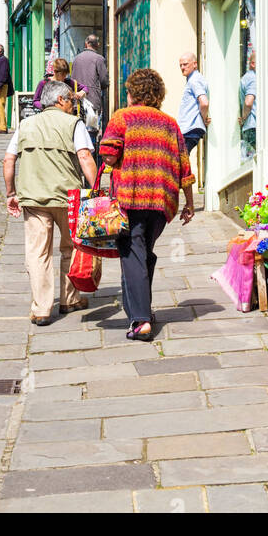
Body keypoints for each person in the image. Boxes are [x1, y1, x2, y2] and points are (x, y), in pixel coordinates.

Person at [100, 67, 195, 342]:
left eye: (128, 90)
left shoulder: (123, 117)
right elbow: (184, 166)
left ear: (133, 92)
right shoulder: (170, 123)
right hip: (162, 202)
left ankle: (141, 320)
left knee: (132, 253)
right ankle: (140, 311)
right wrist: (189, 204)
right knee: (143, 253)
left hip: (130, 198)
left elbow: (107, 154)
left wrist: (117, 158)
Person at [2, 80, 97, 325]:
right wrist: (96, 190)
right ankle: (69, 298)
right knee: (71, 248)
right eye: (70, 101)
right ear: (60, 101)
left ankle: (42, 308)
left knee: (37, 253)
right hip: (68, 198)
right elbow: (85, 157)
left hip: (34, 198)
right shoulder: (74, 124)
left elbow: (8, 160)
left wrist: (10, 193)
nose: (72, 107)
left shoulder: (25, 124)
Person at [70, 34, 109, 137]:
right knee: (91, 132)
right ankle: (91, 152)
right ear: (98, 45)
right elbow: (104, 81)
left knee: (77, 131)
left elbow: (72, 80)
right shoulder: (99, 59)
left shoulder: (76, 59)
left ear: (86, 43)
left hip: (77, 101)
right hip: (92, 101)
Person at [177, 52, 210, 156]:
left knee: (180, 162)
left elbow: (204, 103)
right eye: (180, 65)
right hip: (188, 129)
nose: (182, 67)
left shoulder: (194, 80)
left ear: (195, 64)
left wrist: (204, 119)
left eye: (185, 64)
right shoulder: (193, 79)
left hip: (189, 129)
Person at [239, 48, 257, 162]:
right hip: (253, 125)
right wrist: (244, 117)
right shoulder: (253, 79)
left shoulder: (246, 77)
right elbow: (248, 102)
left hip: (249, 127)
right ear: (253, 64)